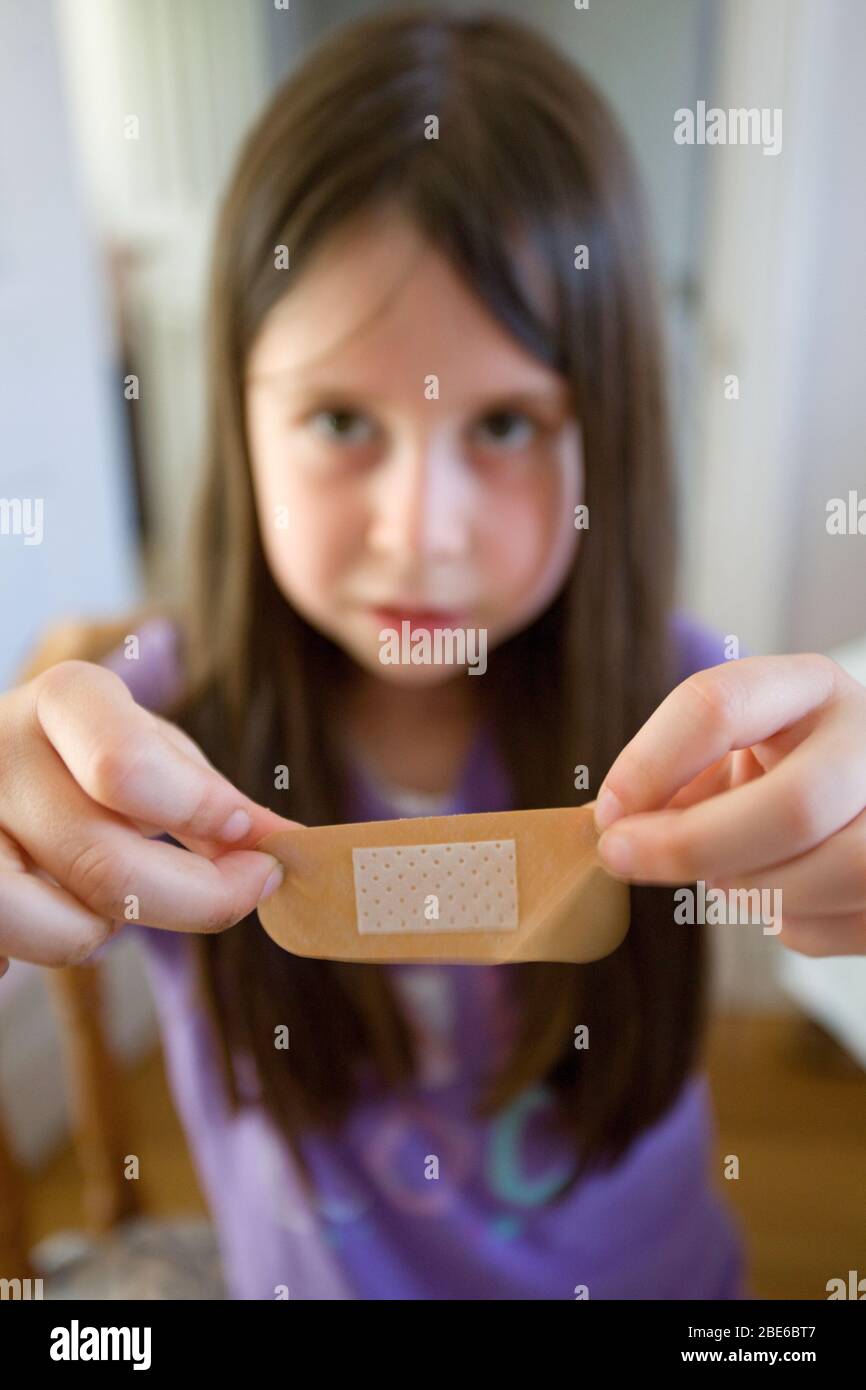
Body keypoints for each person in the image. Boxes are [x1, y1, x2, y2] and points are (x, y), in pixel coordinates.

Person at [3, 8, 865, 1300]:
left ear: (608, 435)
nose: (421, 534)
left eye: (507, 422)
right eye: (343, 417)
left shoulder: (698, 720)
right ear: (239, 424)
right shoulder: (157, 742)